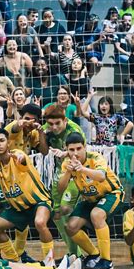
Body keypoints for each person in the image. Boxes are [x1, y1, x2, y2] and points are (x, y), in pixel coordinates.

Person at [0, 128, 54, 261]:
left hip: (38, 202)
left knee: (40, 222)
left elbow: (22, 158)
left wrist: (20, 158)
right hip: (18, 208)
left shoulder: (16, 153)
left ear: (8, 143)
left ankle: (50, 262)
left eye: (2, 140)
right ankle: (15, 260)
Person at [59, 132, 124, 269]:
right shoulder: (67, 164)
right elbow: (60, 188)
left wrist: (82, 169)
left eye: (78, 149)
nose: (75, 153)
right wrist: (67, 173)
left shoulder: (96, 157)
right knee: (70, 226)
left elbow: (101, 176)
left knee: (97, 215)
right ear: (67, 150)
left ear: (85, 147)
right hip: (89, 199)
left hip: (111, 194)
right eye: (71, 150)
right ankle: (94, 255)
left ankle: (106, 261)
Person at [39, 104, 84, 257]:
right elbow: (44, 152)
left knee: (66, 209)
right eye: (51, 124)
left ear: (65, 120)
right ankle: (74, 253)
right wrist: (41, 134)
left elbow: (81, 153)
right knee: (57, 214)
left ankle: (89, 251)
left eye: (58, 123)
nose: (54, 127)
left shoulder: (74, 129)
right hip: (60, 173)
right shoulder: (46, 127)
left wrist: (65, 153)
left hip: (77, 172)